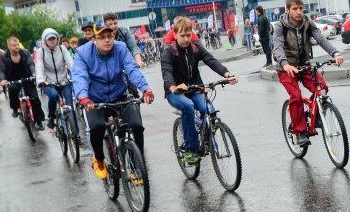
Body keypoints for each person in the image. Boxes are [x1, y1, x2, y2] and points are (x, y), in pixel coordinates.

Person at [72, 25, 154, 180]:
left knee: (137, 125)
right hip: (93, 100)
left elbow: (132, 70)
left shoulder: (121, 48)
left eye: (110, 36)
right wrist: (83, 97)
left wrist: (146, 89)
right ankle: (99, 159)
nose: (107, 40)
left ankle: (138, 164)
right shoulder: (83, 53)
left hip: (119, 95)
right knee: (97, 127)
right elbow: (79, 76)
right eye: (102, 37)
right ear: (94, 39)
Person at [161, 16, 238, 164]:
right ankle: (190, 149)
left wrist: (226, 73)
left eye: (188, 35)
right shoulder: (169, 52)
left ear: (192, 34)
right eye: (182, 36)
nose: (186, 39)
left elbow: (210, 59)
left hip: (195, 88)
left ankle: (207, 139)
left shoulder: (196, 47)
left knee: (208, 109)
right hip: (175, 92)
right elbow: (166, 72)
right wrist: (173, 86)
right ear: (175, 35)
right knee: (188, 107)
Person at [273, 0, 345, 147]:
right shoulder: (281, 26)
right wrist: (285, 64)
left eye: (301, 8)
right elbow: (278, 47)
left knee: (322, 88)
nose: (299, 12)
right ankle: (299, 132)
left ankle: (317, 114)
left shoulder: (307, 23)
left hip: (304, 65)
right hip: (286, 68)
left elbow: (321, 39)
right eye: (295, 9)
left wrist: (335, 53)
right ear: (288, 10)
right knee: (296, 96)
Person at [0, 36, 46, 129]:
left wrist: (33, 72)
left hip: (27, 78)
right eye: (13, 45)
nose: (16, 47)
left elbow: (31, 63)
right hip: (12, 80)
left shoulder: (25, 53)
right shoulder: (3, 57)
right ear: (8, 46)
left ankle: (39, 122)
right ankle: (15, 109)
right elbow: (1, 70)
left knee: (35, 98)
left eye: (17, 44)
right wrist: (2, 79)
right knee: (12, 89)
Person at [35, 28, 76, 131]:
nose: (52, 41)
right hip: (48, 82)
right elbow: (39, 66)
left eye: (54, 38)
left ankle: (76, 134)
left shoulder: (62, 49)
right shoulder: (41, 52)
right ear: (45, 40)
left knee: (70, 106)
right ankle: (51, 117)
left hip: (64, 81)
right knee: (53, 96)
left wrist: (77, 75)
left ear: (57, 39)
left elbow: (70, 63)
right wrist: (40, 81)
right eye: (49, 39)